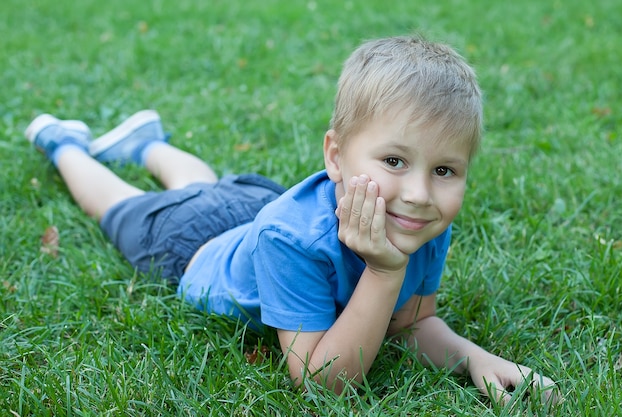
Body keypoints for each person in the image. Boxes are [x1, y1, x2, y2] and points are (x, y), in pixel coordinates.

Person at [24, 35, 558, 405]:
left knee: (203, 188)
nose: (419, 193)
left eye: (444, 169)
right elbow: (322, 384)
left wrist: (471, 357)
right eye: (394, 161)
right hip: (191, 244)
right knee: (116, 205)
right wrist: (383, 272)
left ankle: (149, 146)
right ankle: (64, 145)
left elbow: (411, 323)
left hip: (252, 205)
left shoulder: (416, 220)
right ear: (334, 155)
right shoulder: (292, 240)